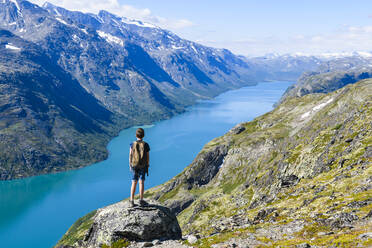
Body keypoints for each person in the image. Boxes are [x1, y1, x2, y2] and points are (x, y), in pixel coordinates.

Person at [129, 128, 150, 207]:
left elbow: (130, 155)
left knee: (134, 182)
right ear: (143, 135)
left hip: (134, 165)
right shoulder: (146, 145)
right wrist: (147, 164)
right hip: (143, 165)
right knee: (141, 182)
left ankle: (131, 201)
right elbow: (147, 156)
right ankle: (141, 200)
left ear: (136, 135)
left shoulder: (132, 144)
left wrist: (130, 165)